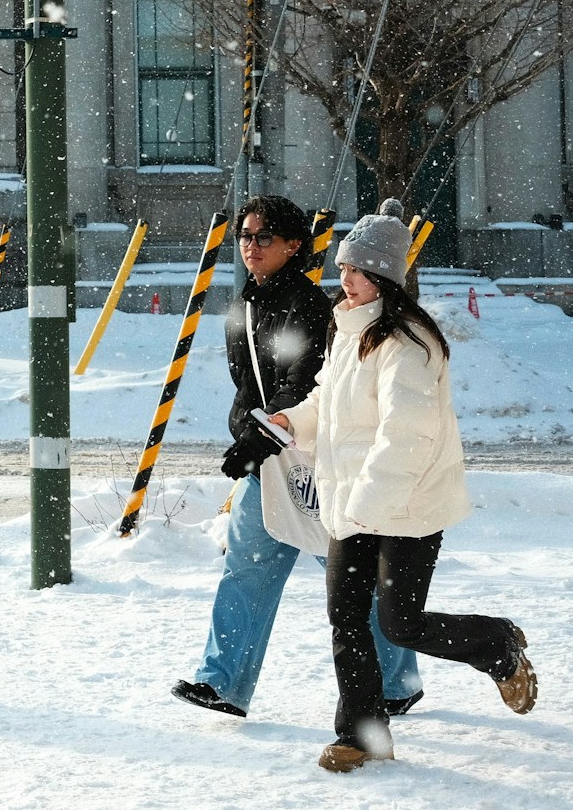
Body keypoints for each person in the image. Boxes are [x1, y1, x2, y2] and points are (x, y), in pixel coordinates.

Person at [271, 205, 538, 772]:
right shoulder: (350, 330)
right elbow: (329, 399)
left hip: (409, 506)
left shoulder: (409, 343)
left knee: (400, 622)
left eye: (359, 271)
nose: (345, 280)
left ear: (387, 278)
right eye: (342, 268)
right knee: (346, 619)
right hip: (355, 504)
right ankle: (362, 734)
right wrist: (297, 421)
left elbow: (405, 437)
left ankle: (497, 645)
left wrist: (367, 502)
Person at [172, 196, 422, 720]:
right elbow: (248, 384)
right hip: (264, 461)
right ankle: (222, 683)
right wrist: (247, 432)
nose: (250, 246)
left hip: (310, 464)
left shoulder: (311, 306)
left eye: (264, 237)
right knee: (245, 570)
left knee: (351, 582)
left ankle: (397, 681)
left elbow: (304, 384)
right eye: (245, 235)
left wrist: (261, 435)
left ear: (293, 245)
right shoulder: (240, 306)